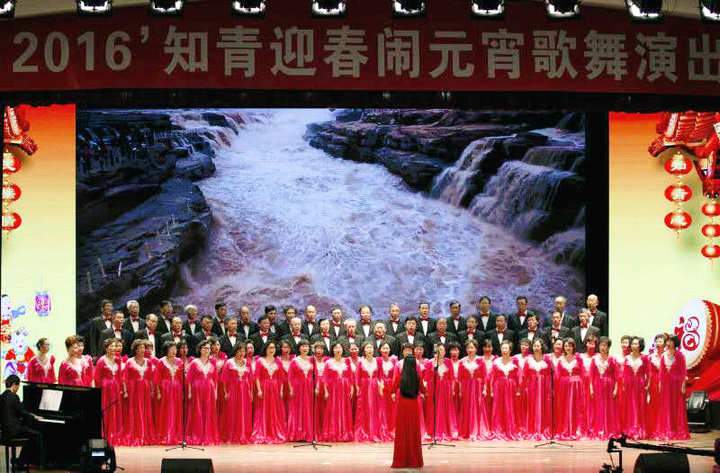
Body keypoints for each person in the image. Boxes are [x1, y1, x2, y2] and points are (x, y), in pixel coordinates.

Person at [0, 375, 45, 469]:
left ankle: (21, 461)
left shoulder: (2, 396)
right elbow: (23, 412)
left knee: (30, 434)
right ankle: (36, 462)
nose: (17, 389)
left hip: (5, 432)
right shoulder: (14, 397)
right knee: (36, 435)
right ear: (14, 385)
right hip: (14, 431)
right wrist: (34, 416)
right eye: (18, 386)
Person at [391, 356, 423, 469]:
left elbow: (392, 389)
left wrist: (383, 388)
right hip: (414, 406)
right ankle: (415, 460)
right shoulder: (418, 377)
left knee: (402, 431)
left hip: (402, 406)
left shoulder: (400, 377)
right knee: (413, 431)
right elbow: (424, 391)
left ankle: (401, 460)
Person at [186, 340, 220, 445]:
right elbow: (189, 379)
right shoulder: (194, 362)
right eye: (204, 348)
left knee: (208, 412)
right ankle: (197, 435)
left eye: (208, 348)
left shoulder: (213, 363)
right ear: (200, 350)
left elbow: (215, 379)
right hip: (197, 390)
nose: (206, 350)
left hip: (209, 391)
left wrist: (215, 392)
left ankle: (208, 435)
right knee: (197, 412)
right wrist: (190, 392)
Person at [122, 339, 155, 446]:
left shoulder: (148, 362)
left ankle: (145, 435)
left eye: (143, 348)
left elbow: (151, 378)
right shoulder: (129, 362)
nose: (142, 350)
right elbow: (124, 378)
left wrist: (152, 390)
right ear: (135, 349)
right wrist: (125, 391)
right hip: (134, 389)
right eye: (140, 348)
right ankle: (136, 435)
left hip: (145, 389)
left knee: (145, 411)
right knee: (135, 410)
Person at [656, 335, 690, 440]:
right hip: (666, 384)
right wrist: (660, 384)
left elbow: (683, 372)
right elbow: (661, 372)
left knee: (676, 406)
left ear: (675, 343)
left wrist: (683, 385)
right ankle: (666, 429)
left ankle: (677, 430)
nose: (668, 343)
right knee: (666, 406)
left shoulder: (680, 355)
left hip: (676, 385)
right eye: (668, 341)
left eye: (670, 341)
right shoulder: (664, 355)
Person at [252, 341, 287, 444]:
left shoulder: (278, 361)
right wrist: (259, 389)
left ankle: (274, 431)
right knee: (263, 409)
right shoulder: (260, 361)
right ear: (266, 349)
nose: (272, 350)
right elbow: (257, 377)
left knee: (274, 410)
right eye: (270, 348)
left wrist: (281, 390)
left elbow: (281, 377)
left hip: (275, 388)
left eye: (273, 348)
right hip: (264, 387)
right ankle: (263, 431)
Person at [355, 342, 389, 442]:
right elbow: (357, 378)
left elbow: (381, 376)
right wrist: (358, 390)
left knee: (376, 409)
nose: (369, 349)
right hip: (364, 388)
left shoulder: (378, 361)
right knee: (364, 410)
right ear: (364, 350)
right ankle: (365, 432)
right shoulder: (360, 362)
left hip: (375, 387)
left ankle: (376, 432)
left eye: (371, 347)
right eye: (367, 348)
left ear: (374, 350)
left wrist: (381, 387)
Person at [320, 342, 354, 442]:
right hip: (333, 389)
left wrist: (352, 388)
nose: (338, 349)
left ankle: (344, 433)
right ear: (332, 350)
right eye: (335, 348)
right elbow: (325, 378)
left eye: (339, 347)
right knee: (333, 409)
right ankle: (333, 433)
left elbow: (350, 376)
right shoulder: (328, 362)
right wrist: (326, 391)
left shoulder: (347, 361)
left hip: (345, 388)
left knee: (345, 409)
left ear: (343, 350)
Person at [457, 340, 491, 440]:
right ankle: (467, 431)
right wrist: (460, 391)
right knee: (466, 407)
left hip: (477, 387)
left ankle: (477, 430)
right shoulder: (462, 361)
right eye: (468, 348)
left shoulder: (481, 360)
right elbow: (460, 378)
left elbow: (485, 376)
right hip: (466, 387)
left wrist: (484, 389)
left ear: (476, 349)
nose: (470, 350)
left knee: (478, 407)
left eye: (472, 348)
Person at [220, 344, 254, 444]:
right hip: (233, 390)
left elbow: (250, 379)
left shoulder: (247, 362)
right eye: (239, 351)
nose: (241, 353)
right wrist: (226, 392)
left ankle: (244, 434)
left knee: (244, 412)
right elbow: (224, 379)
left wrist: (251, 392)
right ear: (235, 351)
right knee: (232, 412)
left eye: (243, 351)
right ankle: (232, 434)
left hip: (245, 391)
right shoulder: (229, 363)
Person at [555, 338, 587, 440]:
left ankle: (576, 430)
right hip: (564, 387)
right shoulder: (560, 360)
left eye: (569, 346)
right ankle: (565, 430)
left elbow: (583, 374)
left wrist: (581, 386)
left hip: (576, 387)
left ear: (573, 347)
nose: (567, 348)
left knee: (576, 408)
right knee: (564, 408)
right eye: (566, 346)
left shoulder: (578, 359)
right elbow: (558, 375)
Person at [588, 336, 619, 439]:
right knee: (598, 407)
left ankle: (609, 430)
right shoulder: (594, 359)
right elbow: (591, 374)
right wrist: (591, 388)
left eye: (605, 345)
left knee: (609, 408)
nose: (603, 347)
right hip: (597, 385)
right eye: (601, 345)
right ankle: (599, 429)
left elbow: (616, 375)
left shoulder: (613, 359)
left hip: (609, 386)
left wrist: (616, 389)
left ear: (608, 347)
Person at [94, 339, 124, 445]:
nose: (113, 349)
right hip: (105, 388)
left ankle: (115, 434)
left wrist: (121, 388)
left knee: (115, 409)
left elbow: (120, 376)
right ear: (106, 348)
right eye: (110, 346)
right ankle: (105, 433)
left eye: (114, 346)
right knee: (106, 410)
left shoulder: (118, 360)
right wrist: (99, 390)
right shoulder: (101, 361)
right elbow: (97, 377)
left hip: (115, 388)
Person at [426, 343, 458, 441]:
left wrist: (452, 390)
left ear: (445, 352)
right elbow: (427, 378)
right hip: (434, 388)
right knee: (434, 409)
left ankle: (447, 430)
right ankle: (433, 431)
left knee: (446, 409)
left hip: (445, 389)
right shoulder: (430, 362)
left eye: (442, 350)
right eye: (438, 350)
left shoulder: (448, 362)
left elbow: (452, 378)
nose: (440, 352)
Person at [489, 340, 520, 440]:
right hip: (499, 386)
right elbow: (492, 377)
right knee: (498, 408)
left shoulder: (515, 361)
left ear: (510, 350)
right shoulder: (496, 361)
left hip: (511, 387)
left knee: (510, 407)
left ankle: (510, 429)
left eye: (506, 348)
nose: (504, 350)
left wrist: (518, 389)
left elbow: (518, 376)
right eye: (503, 348)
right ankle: (498, 429)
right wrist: (491, 390)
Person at [154, 341, 183, 445]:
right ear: (166, 350)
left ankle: (176, 435)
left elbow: (182, 378)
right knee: (165, 411)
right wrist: (158, 392)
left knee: (176, 411)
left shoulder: (179, 361)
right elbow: (157, 378)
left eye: (175, 349)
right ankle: (165, 435)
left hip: (177, 389)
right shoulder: (161, 361)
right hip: (165, 389)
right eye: (172, 349)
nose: (174, 351)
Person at [522, 339, 552, 440]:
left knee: (543, 407)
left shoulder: (547, 359)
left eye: (538, 346)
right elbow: (524, 375)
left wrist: (550, 389)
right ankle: (532, 429)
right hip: (532, 387)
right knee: (531, 407)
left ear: (542, 347)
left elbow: (551, 374)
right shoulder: (528, 360)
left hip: (544, 387)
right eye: (534, 346)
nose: (536, 348)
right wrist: (523, 388)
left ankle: (543, 430)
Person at [286, 340, 314, 442]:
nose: (305, 348)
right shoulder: (294, 361)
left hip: (309, 387)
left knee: (308, 409)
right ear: (299, 348)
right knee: (297, 409)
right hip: (297, 387)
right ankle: (297, 434)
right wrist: (291, 389)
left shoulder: (312, 360)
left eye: (306, 346)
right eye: (303, 346)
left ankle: (307, 434)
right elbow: (289, 376)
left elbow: (315, 375)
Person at [622, 336, 649, 439]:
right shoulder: (627, 358)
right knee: (630, 407)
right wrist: (624, 385)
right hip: (629, 385)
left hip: (640, 385)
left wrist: (647, 385)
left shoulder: (645, 358)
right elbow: (624, 374)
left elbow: (649, 373)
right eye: (633, 344)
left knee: (640, 407)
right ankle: (630, 429)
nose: (634, 346)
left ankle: (640, 430)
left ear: (640, 345)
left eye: (636, 344)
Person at [647, 333, 667, 438]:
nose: (658, 343)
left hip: (665, 382)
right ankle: (653, 428)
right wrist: (648, 384)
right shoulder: (651, 357)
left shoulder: (668, 356)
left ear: (665, 343)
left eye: (660, 341)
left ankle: (664, 428)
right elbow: (648, 372)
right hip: (654, 382)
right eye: (657, 341)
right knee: (654, 404)